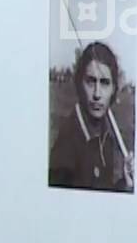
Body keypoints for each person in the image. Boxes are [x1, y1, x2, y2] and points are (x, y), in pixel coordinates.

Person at [50, 41, 132, 192]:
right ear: (79, 84)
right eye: (91, 81)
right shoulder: (67, 146)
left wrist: (125, 184)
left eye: (105, 83)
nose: (97, 94)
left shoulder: (105, 134)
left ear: (114, 89)